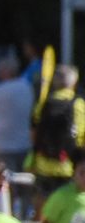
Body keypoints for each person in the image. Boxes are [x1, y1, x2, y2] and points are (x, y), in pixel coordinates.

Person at [29, 65, 85, 196]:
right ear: (74, 82)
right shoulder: (79, 104)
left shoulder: (43, 103)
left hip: (43, 165)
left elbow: (34, 132)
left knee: (43, 210)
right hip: (69, 166)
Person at [0, 58, 34, 180]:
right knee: (24, 180)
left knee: (6, 182)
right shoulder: (27, 87)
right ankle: (24, 199)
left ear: (5, 72)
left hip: (3, 144)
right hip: (24, 143)